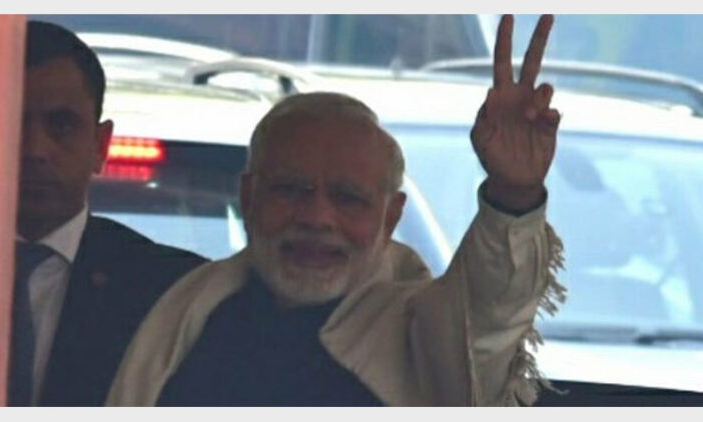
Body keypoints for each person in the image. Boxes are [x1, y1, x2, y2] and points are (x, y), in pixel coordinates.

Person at [106, 14, 565, 406]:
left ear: (391, 217)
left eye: (348, 198)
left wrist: (512, 194)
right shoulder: (183, 316)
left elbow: (490, 313)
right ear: (249, 198)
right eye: (291, 190)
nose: (316, 217)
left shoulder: (419, 334)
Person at [10, 21, 206, 406]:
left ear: (100, 145)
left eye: (61, 125)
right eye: (13, 122)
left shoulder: (172, 295)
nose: (35, 149)